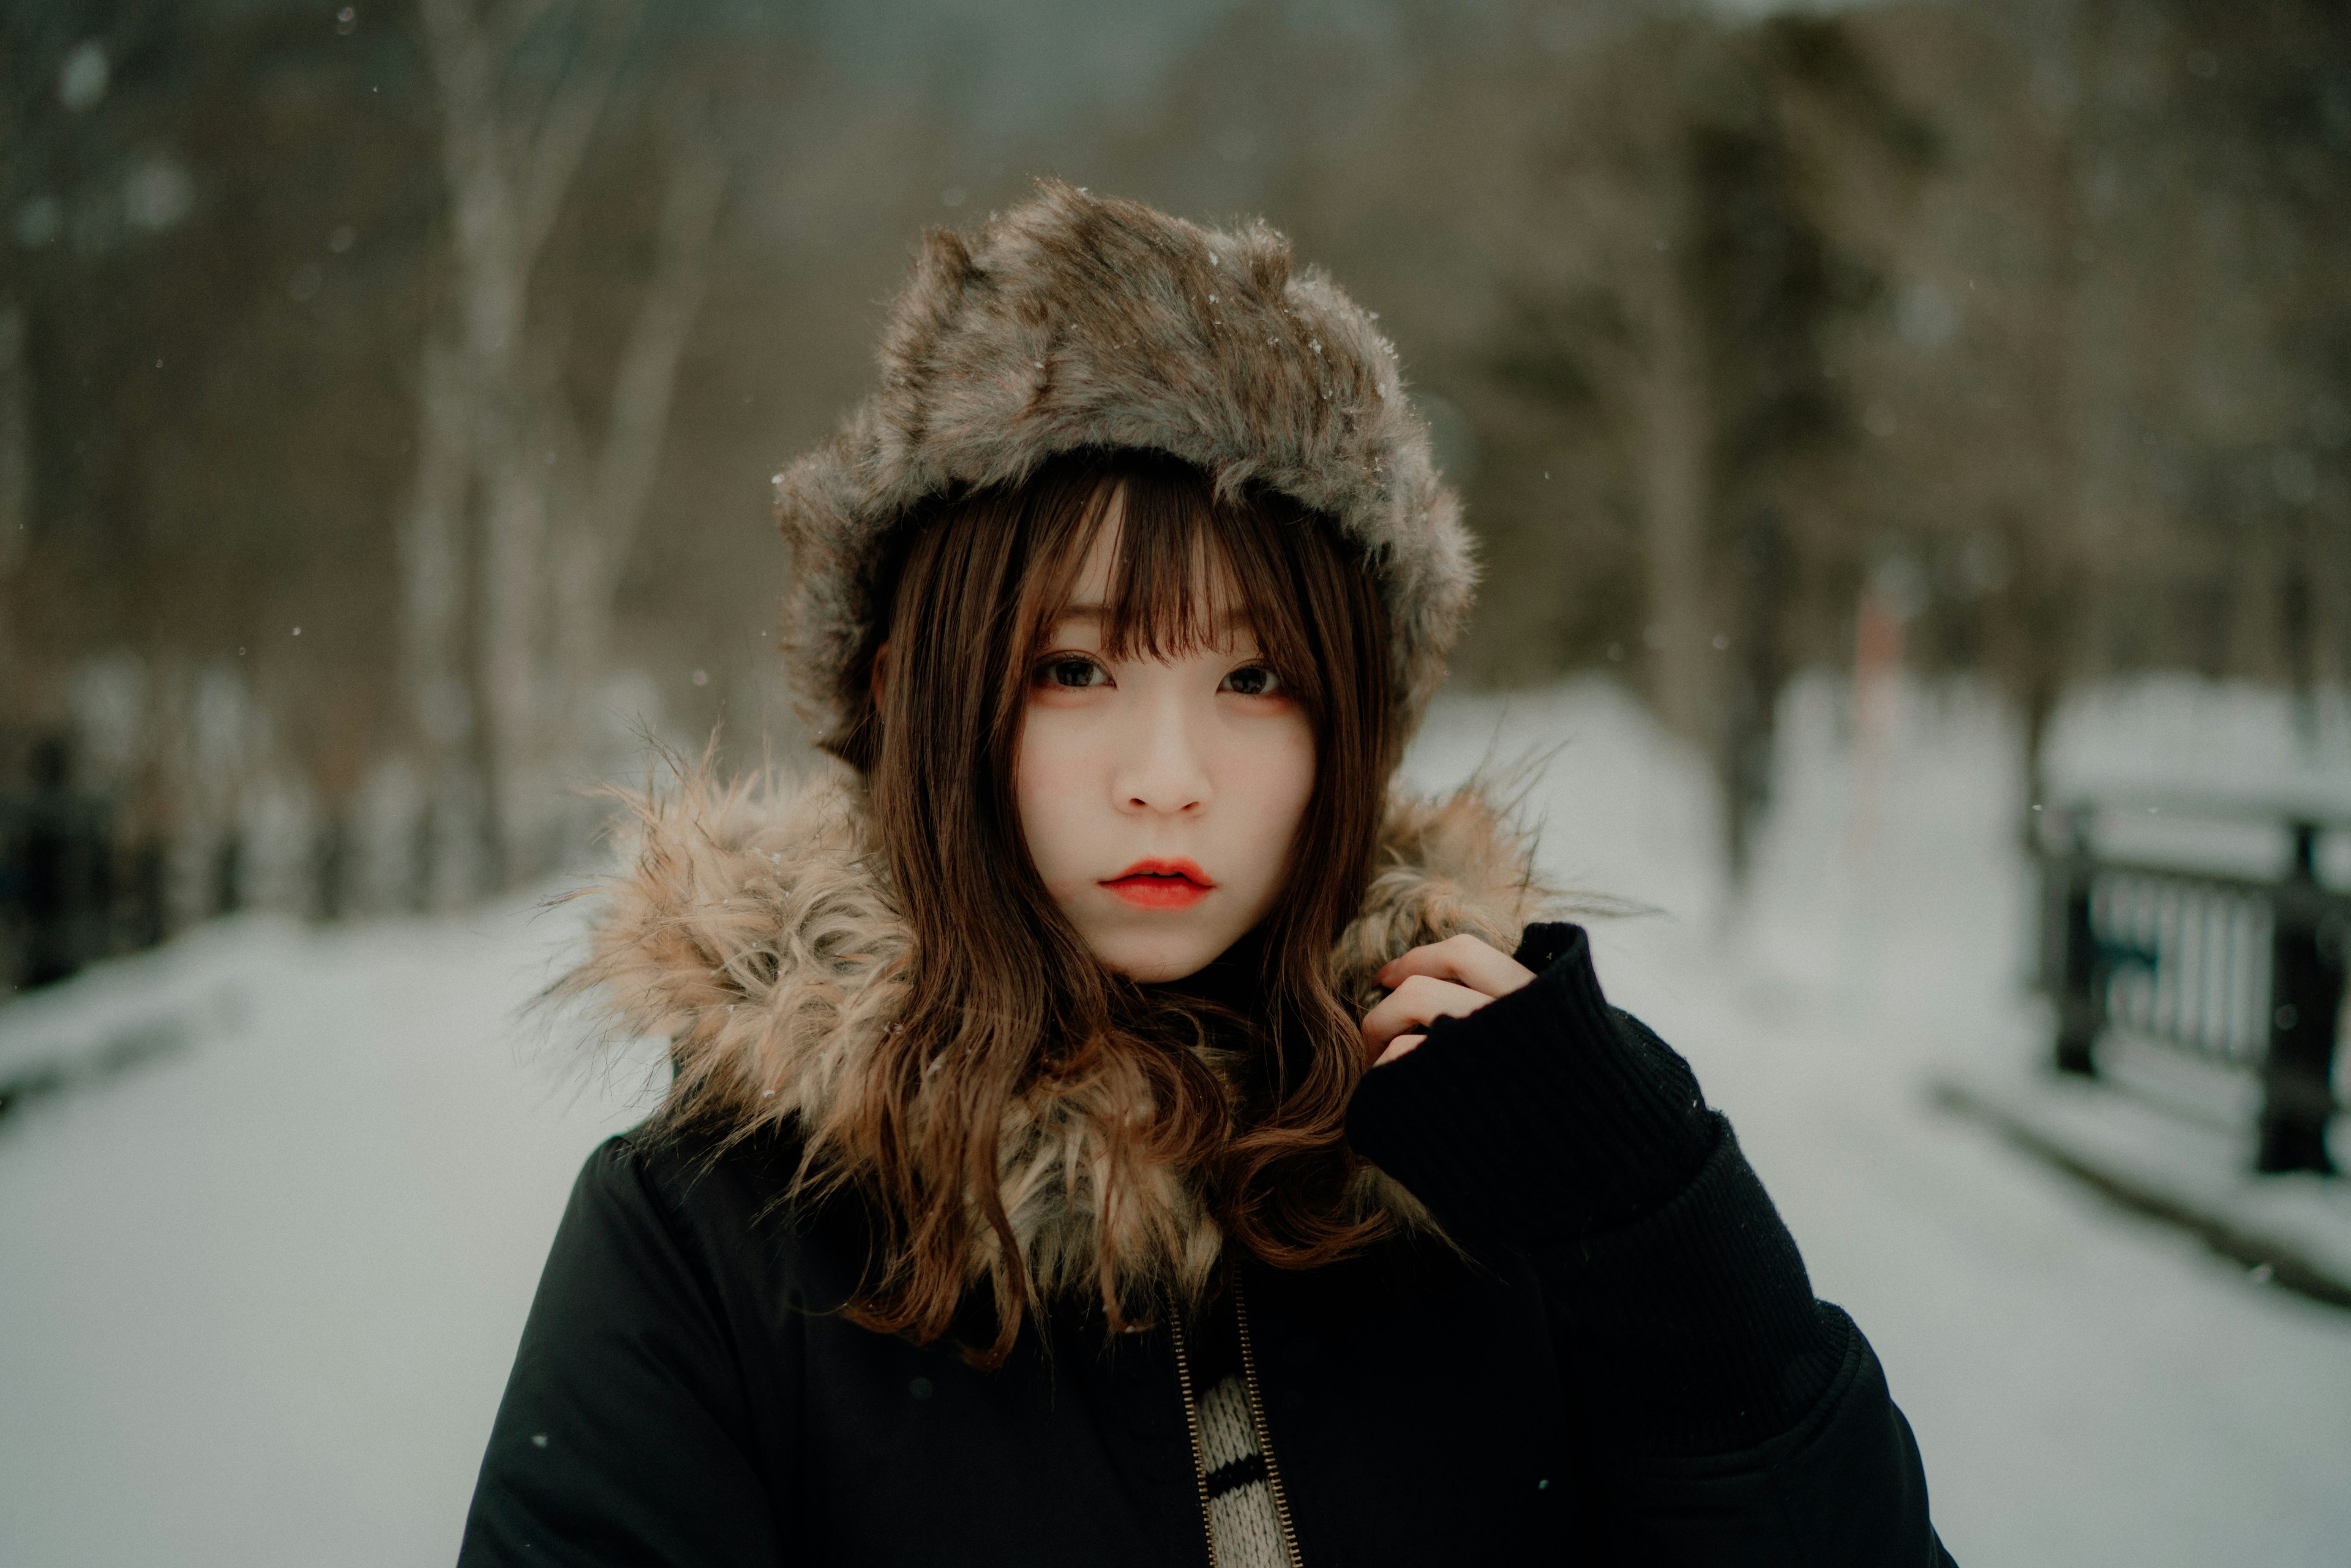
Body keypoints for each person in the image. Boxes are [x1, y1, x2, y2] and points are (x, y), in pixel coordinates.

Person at [459, 181, 1952, 1567]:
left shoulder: (1512, 1150)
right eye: (1073, 667)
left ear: (1353, 725)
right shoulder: (713, 1232)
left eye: (1255, 678)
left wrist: (1660, 1237)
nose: (1166, 773)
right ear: (919, 690)